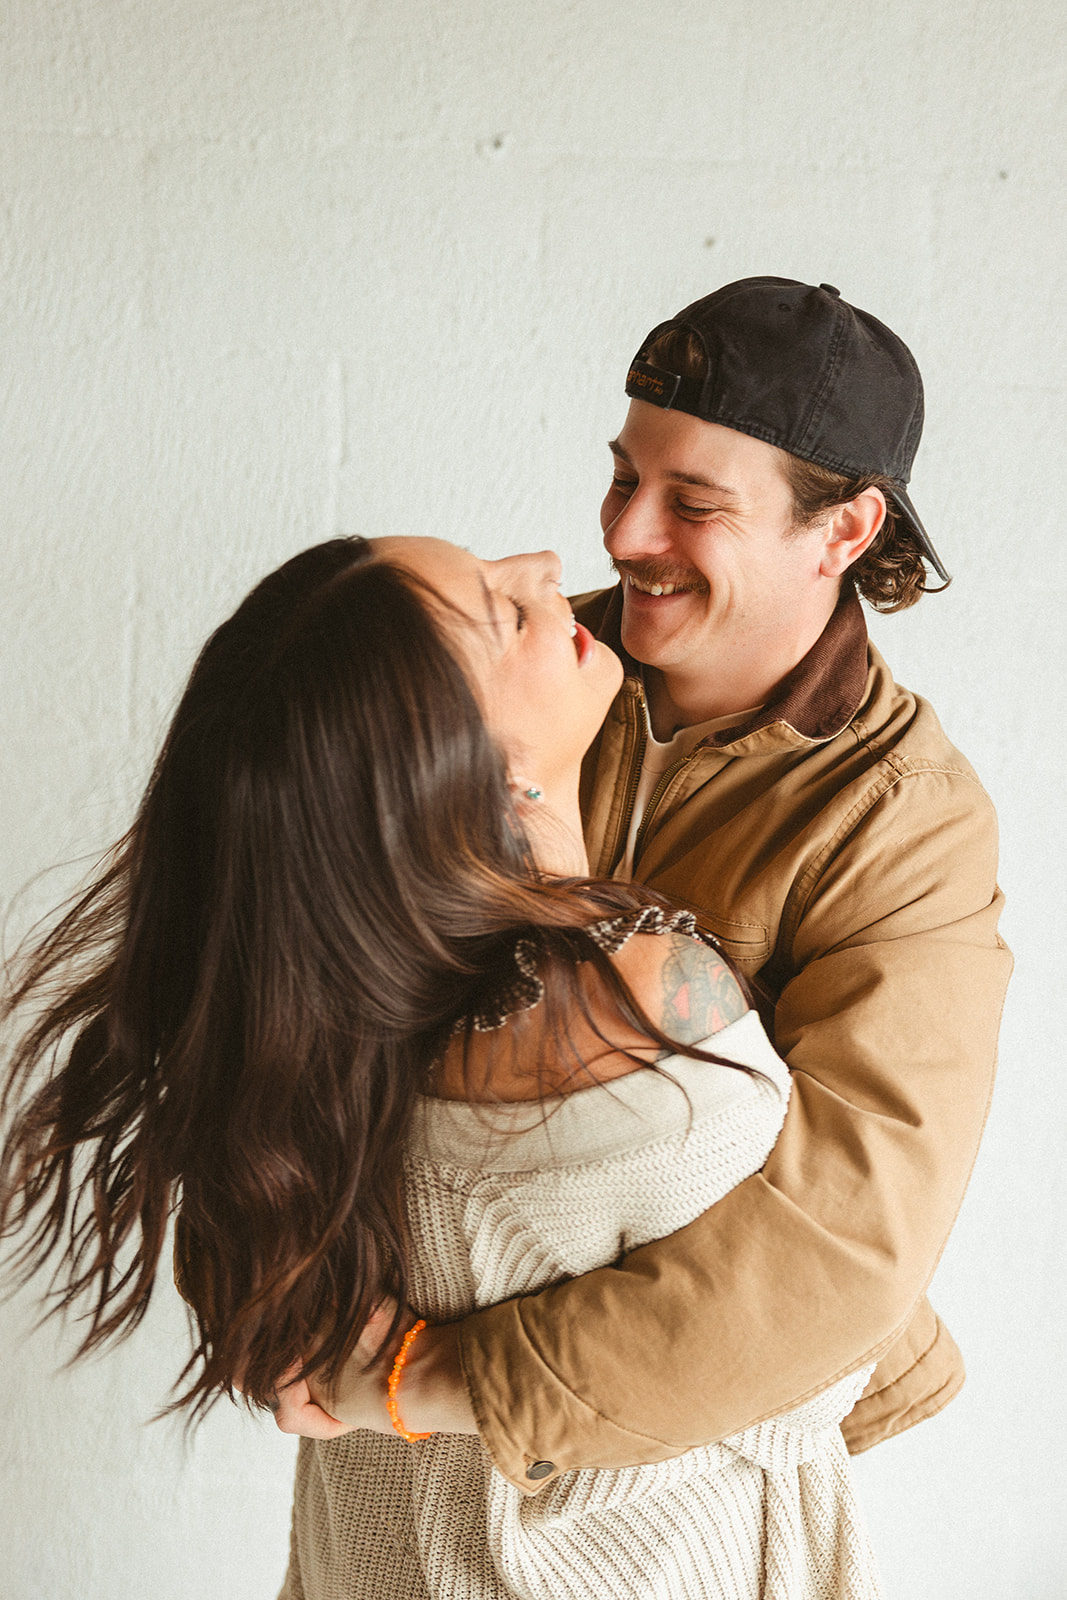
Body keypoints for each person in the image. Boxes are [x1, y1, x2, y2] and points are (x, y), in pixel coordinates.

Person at [0, 533, 884, 1598]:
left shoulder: (320, 1034)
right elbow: (816, 1363)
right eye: (503, 611)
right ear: (474, 770)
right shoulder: (646, 1003)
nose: (546, 564)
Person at [292, 278, 1011, 1492]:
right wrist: (282, 1291)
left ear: (841, 532)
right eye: (625, 477)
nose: (623, 535)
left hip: (678, 1435)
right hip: (388, 1396)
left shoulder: (906, 823)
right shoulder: (508, 665)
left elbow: (841, 1244)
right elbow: (293, 965)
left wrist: (431, 1381)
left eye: (692, 504)